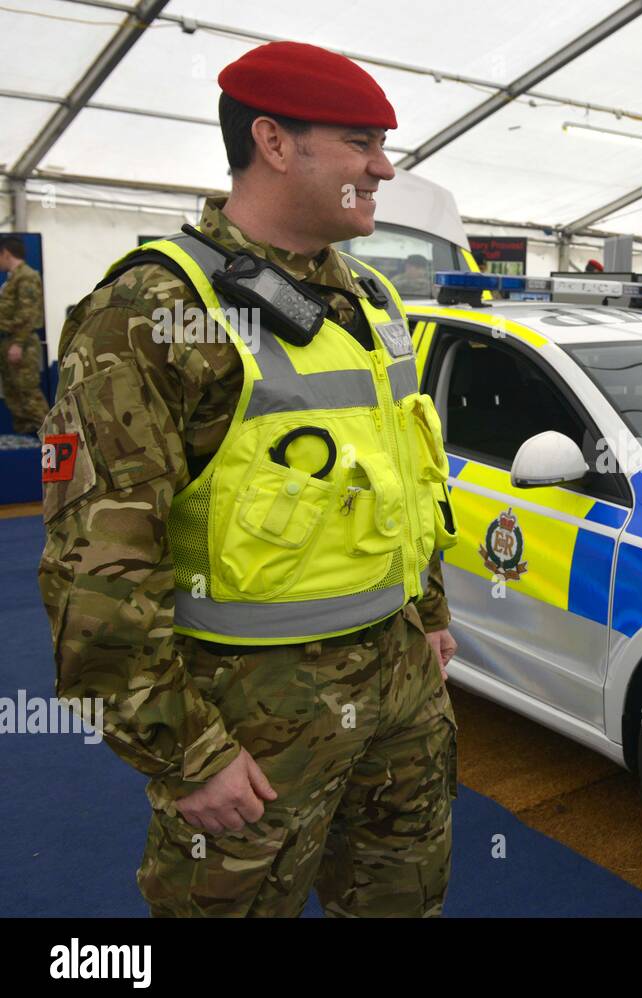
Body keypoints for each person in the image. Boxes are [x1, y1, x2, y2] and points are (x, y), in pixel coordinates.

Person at [37, 41, 460, 918]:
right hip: (252, 722)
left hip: (400, 690)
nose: (383, 167)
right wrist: (184, 750)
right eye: (360, 142)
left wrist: (427, 614)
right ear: (273, 141)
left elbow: (402, 477)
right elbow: (97, 570)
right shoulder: (153, 312)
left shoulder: (372, 299)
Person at [0, 236, 49, 434]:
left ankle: (55, 437)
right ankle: (27, 440)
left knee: (28, 395)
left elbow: (28, 314)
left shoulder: (27, 276)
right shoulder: (13, 278)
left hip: (21, 343)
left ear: (6, 253)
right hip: (9, 341)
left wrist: (18, 344)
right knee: (14, 396)